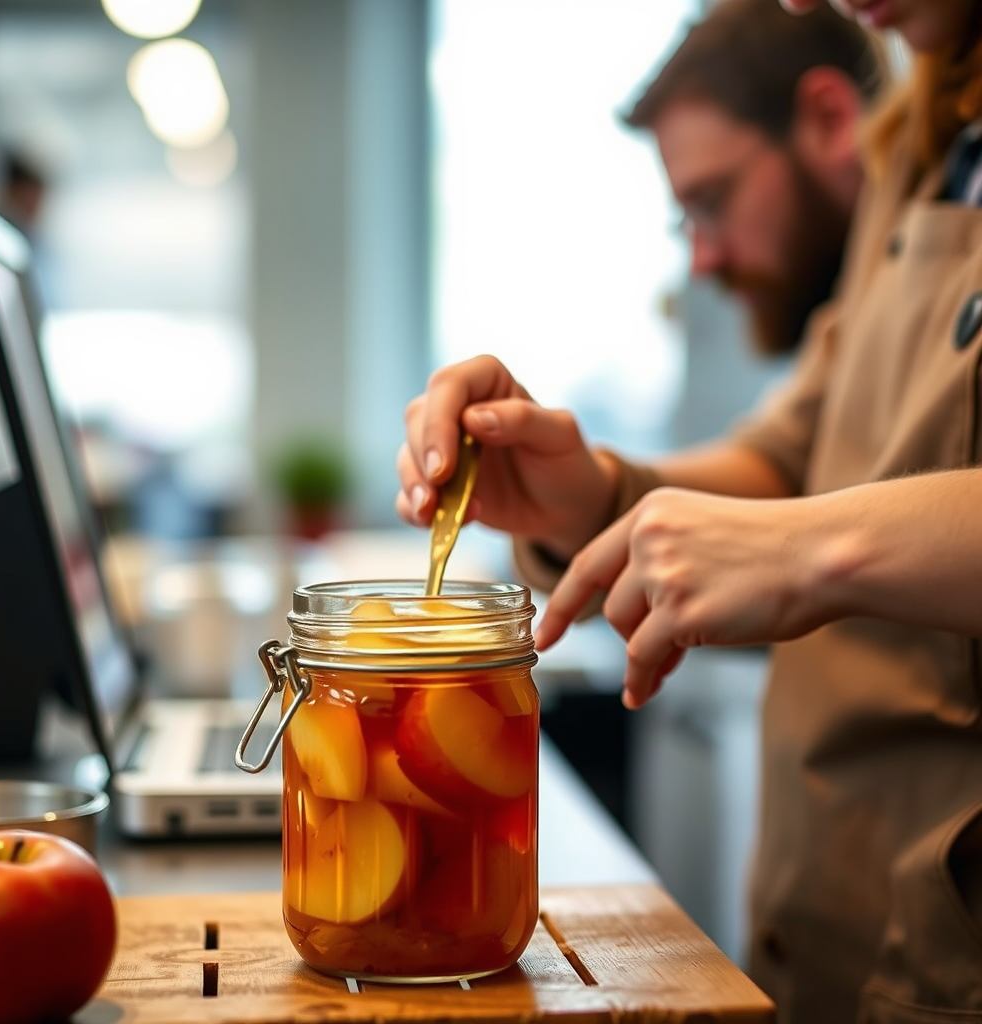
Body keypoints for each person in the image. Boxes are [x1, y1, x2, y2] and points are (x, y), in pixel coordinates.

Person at [396, 0, 982, 1020]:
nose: (807, 2)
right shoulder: (919, 148)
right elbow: (796, 451)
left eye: (710, 202)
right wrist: (590, 493)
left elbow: (810, 513)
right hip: (828, 918)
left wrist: (812, 547)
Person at [621, 0, 883, 358]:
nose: (702, 262)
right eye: (688, 221)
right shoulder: (844, 346)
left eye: (711, 201)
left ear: (830, 119)